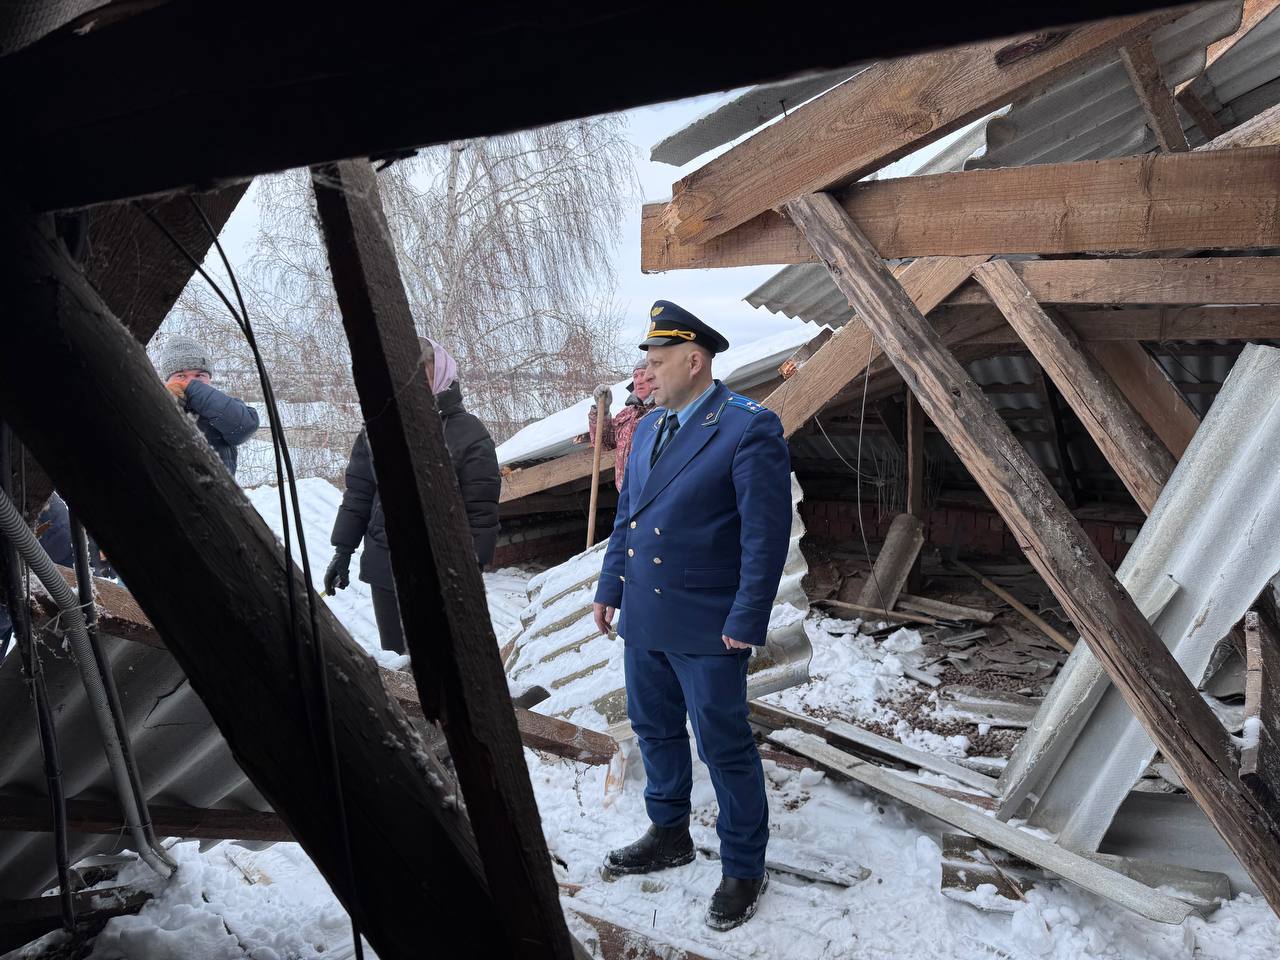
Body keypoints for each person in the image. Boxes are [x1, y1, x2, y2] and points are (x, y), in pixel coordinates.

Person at [592, 301, 792, 931]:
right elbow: (627, 517)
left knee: (724, 746)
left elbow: (765, 537)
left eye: (656, 362)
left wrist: (747, 618)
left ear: (694, 360)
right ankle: (669, 832)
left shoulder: (747, 427)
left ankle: (744, 866)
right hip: (646, 614)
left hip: (709, 622)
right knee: (654, 729)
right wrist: (610, 585)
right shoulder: (651, 427)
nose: (645, 373)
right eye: (646, 362)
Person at [323, 338, 501, 655]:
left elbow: (481, 512)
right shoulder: (378, 426)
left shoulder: (470, 435)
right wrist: (343, 549)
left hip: (442, 574)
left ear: (441, 374)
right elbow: (360, 493)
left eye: (421, 372)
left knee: (442, 660)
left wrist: (471, 569)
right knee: (398, 659)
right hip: (385, 566)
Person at [155, 336, 260, 479]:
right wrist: (165, 401)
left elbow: (244, 426)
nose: (191, 382)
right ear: (167, 381)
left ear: (210, 378)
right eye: (181, 376)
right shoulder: (157, 405)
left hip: (220, 490)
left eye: (199, 375)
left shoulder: (223, 404)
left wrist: (195, 391)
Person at [586, 357, 656, 492]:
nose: (638, 380)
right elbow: (604, 443)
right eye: (635, 376)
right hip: (625, 494)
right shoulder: (626, 414)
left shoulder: (664, 410)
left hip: (651, 491)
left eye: (643, 374)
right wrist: (603, 411)